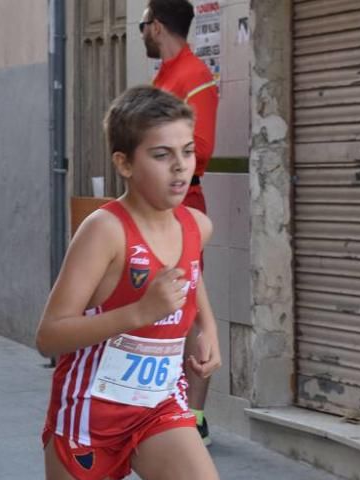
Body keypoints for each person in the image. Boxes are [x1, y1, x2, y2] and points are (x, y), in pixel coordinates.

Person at [0, 86, 231, 480]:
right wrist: (140, 314)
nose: (179, 168)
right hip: (90, 410)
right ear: (124, 162)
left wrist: (207, 327)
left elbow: (188, 276)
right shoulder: (105, 231)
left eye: (187, 152)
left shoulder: (197, 224)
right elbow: (49, 334)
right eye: (160, 155)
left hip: (158, 406)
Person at [141, 0, 219, 447]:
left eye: (143, 26)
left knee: (189, 308)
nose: (143, 34)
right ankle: (164, 405)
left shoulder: (194, 79)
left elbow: (202, 150)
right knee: (163, 305)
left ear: (155, 26)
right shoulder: (165, 79)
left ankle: (196, 417)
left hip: (181, 208)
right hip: (156, 209)